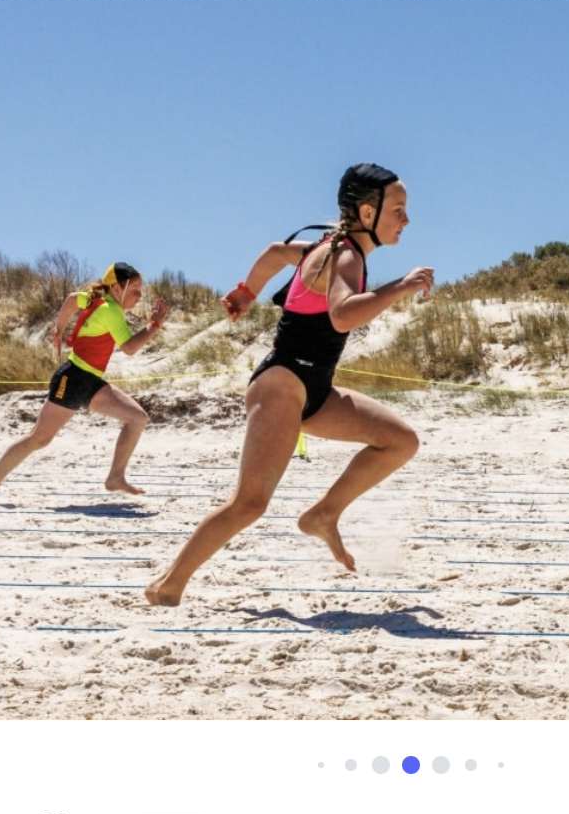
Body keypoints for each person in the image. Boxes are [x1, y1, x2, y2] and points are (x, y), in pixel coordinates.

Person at [144, 164, 433, 603]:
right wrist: (400, 286)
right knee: (249, 503)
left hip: (313, 388)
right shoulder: (346, 255)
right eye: (399, 209)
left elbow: (277, 251)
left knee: (400, 441)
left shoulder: (329, 246)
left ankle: (324, 513)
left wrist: (247, 290)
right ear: (367, 212)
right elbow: (342, 315)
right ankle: (169, 584)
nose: (406, 219)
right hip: (282, 384)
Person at [0, 264, 169, 503]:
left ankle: (115, 477)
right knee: (39, 438)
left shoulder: (94, 299)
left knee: (137, 418)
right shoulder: (110, 310)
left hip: (89, 380)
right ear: (117, 288)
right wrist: (154, 324)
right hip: (73, 378)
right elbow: (129, 348)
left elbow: (69, 300)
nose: (139, 296)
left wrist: (58, 328)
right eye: (135, 290)